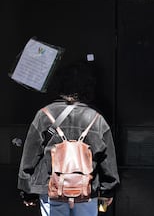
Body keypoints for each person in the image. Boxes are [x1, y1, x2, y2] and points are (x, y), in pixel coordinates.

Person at [17, 61, 120, 216]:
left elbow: (29, 158)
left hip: (51, 189)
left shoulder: (44, 115)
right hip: (87, 190)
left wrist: (28, 191)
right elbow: (107, 160)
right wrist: (107, 191)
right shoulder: (96, 118)